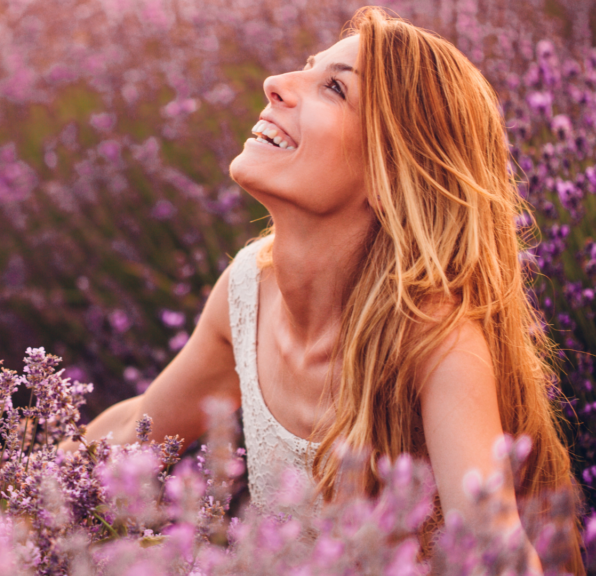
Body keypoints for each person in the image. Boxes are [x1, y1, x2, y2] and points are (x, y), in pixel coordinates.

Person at [63, 6, 583, 572]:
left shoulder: (434, 342)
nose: (275, 83)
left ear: (391, 171)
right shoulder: (247, 293)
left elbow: (495, 552)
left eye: (333, 88)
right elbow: (140, 426)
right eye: (306, 69)